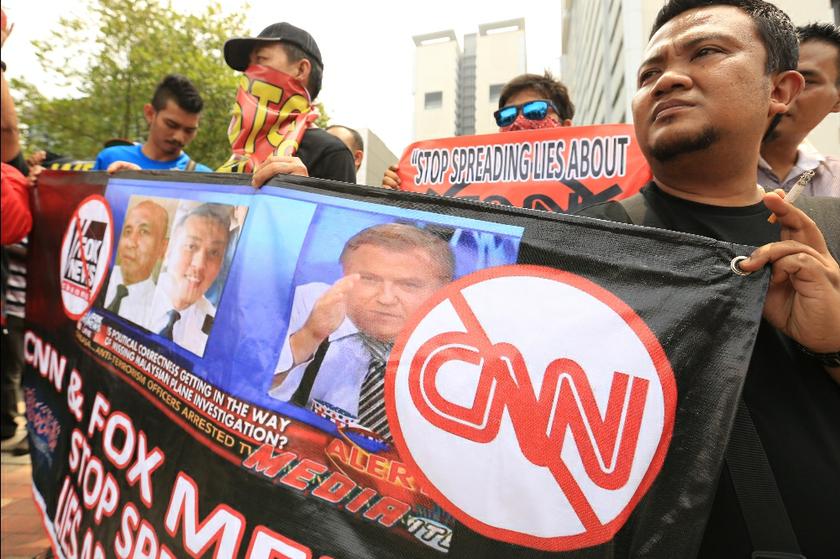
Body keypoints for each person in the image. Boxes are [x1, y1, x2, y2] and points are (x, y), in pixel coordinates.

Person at [577, 1, 840, 557]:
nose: (667, 79)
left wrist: (834, 347)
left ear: (781, 91)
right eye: (649, 74)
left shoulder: (833, 233)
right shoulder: (577, 246)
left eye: (708, 52)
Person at [268, 223, 454, 441]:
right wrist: (309, 336)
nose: (385, 298)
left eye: (409, 285)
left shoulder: (464, 347)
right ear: (343, 275)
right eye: (369, 279)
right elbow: (247, 392)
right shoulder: (310, 303)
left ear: (442, 290)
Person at [382, 71, 575, 189]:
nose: (519, 122)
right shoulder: (474, 185)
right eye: (507, 116)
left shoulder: (599, 191)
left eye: (535, 110)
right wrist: (401, 193)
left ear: (566, 127)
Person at [221, 22, 356, 186]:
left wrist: (300, 194)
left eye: (261, 59)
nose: (249, 73)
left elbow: (338, 213)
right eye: (249, 66)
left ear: (300, 70)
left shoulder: (331, 153)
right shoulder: (240, 154)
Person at [759, 22, 840, 196]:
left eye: (806, 81)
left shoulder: (835, 182)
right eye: (772, 75)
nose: (781, 91)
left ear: (837, 101)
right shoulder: (697, 172)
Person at [147, 204, 230, 356]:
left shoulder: (216, 329)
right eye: (191, 246)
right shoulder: (134, 294)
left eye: (214, 252)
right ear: (169, 251)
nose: (199, 264)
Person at [92, 74, 212, 173]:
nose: (179, 137)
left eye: (189, 130)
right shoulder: (111, 158)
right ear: (150, 114)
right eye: (171, 125)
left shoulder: (201, 177)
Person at [102, 200, 169, 326]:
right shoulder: (101, 276)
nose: (130, 243)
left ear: (162, 248)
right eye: (127, 231)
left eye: (144, 232)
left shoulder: (160, 316)